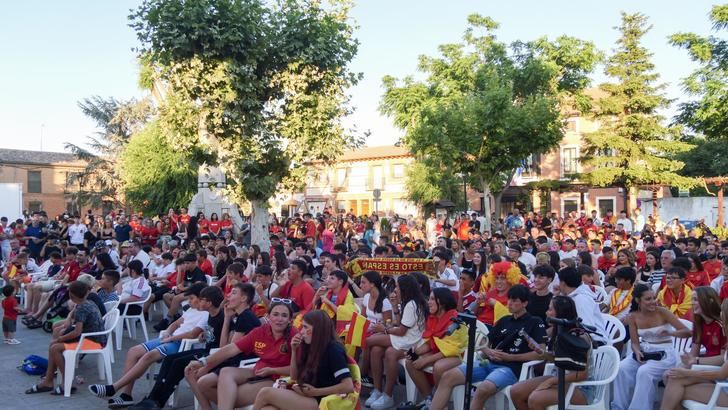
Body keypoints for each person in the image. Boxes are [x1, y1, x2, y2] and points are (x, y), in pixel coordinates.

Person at [89, 283, 210, 408]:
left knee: (148, 356)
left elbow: (192, 334)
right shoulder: (192, 309)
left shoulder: (205, 315)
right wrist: (168, 332)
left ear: (202, 299)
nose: (188, 301)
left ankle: (114, 388)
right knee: (133, 351)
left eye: (191, 298)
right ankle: (126, 395)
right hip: (170, 339)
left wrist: (171, 337)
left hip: (182, 344)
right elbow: (176, 323)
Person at [430, 284, 548, 410]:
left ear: (525, 303)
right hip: (488, 362)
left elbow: (541, 353)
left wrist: (511, 357)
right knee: (448, 377)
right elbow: (483, 341)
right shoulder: (505, 320)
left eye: (514, 301)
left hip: (510, 368)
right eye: (509, 299)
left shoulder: (535, 322)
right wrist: (487, 350)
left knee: (483, 389)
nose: (509, 303)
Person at [184, 301, 296, 410]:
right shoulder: (260, 332)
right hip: (259, 370)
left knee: (231, 398)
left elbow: (299, 370)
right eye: (275, 314)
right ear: (268, 316)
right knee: (207, 381)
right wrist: (202, 362)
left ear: (290, 320)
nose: (279, 319)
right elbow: (231, 348)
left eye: (284, 315)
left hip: (279, 377)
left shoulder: (294, 337)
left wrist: (272, 370)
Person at [253, 310, 356, 410]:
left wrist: (316, 392)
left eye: (305, 327)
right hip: (307, 396)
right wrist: (294, 350)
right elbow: (294, 376)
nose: (301, 331)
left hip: (322, 400)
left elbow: (348, 386)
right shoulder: (309, 345)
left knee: (265, 393)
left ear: (317, 329)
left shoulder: (333, 349)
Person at [612, 283, 691, 410]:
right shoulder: (633, 316)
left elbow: (687, 332)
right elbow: (634, 342)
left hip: (665, 354)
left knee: (645, 371)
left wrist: (670, 333)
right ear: (638, 300)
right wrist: (637, 351)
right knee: (621, 368)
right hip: (644, 352)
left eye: (654, 298)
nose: (653, 302)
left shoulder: (663, 312)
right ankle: (619, 407)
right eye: (648, 299)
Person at [509, 296, 596, 409]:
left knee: (535, 399)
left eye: (550, 309)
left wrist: (551, 381)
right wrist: (541, 352)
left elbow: (582, 374)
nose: (546, 312)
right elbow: (561, 360)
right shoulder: (558, 332)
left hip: (581, 387)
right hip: (560, 378)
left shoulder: (578, 336)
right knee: (516, 392)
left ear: (560, 313)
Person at [25, 281, 106, 395]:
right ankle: (48, 381)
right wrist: (68, 319)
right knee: (53, 346)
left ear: (71, 295)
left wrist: (60, 339)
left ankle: (67, 382)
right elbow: (74, 316)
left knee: (55, 347)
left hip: (93, 341)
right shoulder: (86, 302)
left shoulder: (82, 308)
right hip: (92, 337)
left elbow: (77, 332)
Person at [366, 274, 427, 410]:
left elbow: (401, 331)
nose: (396, 290)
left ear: (405, 288)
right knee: (376, 350)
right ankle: (378, 390)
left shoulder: (412, 304)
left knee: (369, 341)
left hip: (410, 341)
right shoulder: (409, 302)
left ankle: (386, 394)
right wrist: (395, 307)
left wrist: (385, 329)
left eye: (398, 287)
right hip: (405, 337)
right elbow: (400, 324)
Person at [660, 298, 728, 409]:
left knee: (675, 392)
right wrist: (685, 366)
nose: (720, 316)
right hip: (721, 382)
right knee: (673, 381)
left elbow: (721, 374)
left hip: (722, 384)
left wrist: (687, 372)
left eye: (696, 299)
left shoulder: (718, 327)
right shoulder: (699, 325)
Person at [404, 288, 466, 407]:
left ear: (441, 302)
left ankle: (440, 404)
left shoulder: (454, 319)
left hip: (456, 355)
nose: (428, 302)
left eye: (432, 299)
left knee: (439, 366)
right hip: (438, 352)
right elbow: (430, 342)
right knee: (410, 361)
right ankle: (430, 399)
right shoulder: (433, 317)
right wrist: (415, 352)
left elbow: (448, 350)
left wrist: (425, 360)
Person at [155, 253, 206, 331]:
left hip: (195, 293)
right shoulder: (188, 271)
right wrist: (179, 281)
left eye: (188, 263)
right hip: (187, 291)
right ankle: (176, 316)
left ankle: (167, 320)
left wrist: (183, 288)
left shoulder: (198, 272)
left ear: (194, 263)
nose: (186, 265)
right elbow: (181, 282)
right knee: (166, 296)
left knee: (176, 298)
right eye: (185, 263)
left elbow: (197, 286)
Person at [557, 267, 607, 346]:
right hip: (579, 339)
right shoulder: (570, 296)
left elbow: (586, 328)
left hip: (595, 342)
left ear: (563, 283)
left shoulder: (581, 299)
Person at [681, 286, 725, 367]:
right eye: (692, 299)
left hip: (720, 370)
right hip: (705, 366)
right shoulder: (699, 324)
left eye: (695, 299)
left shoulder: (722, 325)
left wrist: (696, 360)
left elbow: (723, 359)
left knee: (676, 377)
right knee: (670, 374)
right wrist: (688, 359)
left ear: (708, 301)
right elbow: (693, 355)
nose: (692, 302)